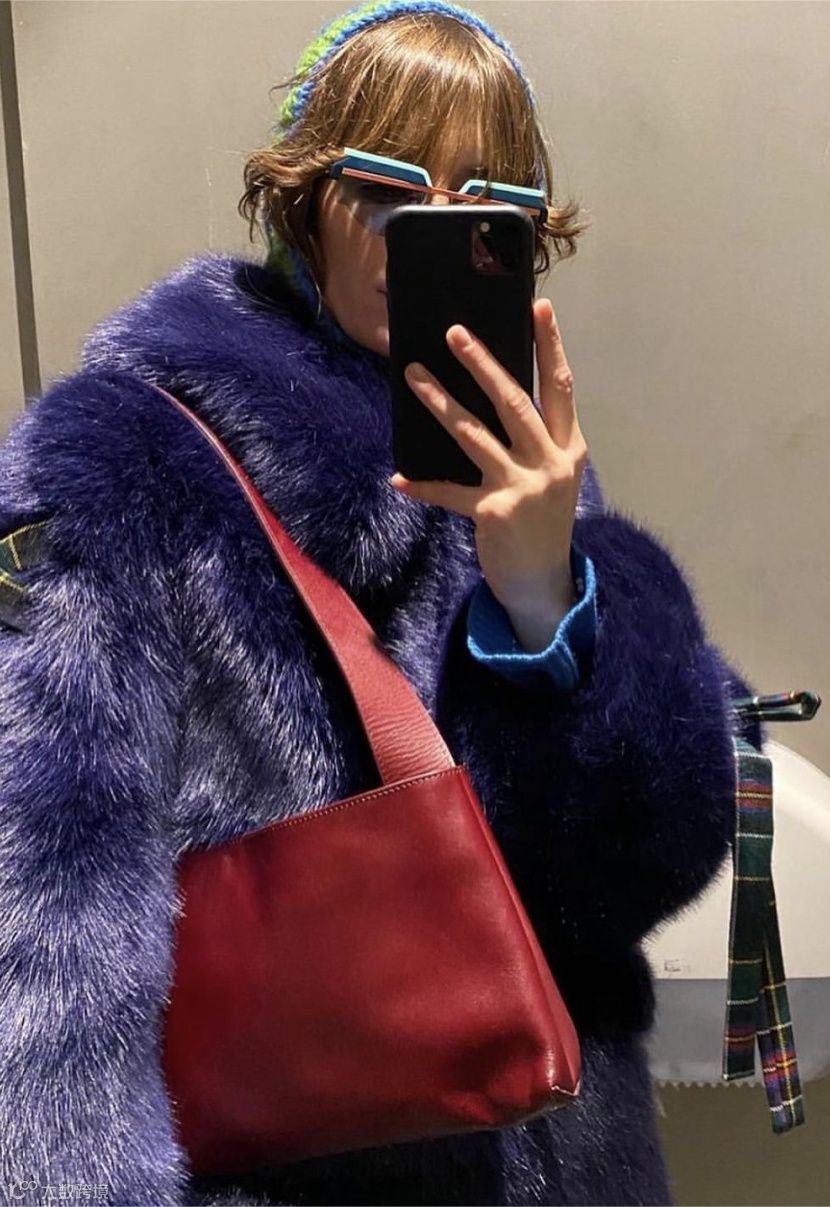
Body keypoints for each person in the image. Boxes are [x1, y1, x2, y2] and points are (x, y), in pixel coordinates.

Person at [0, 3, 760, 1205]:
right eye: (387, 189)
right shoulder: (123, 462)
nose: (430, 232)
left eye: (482, 209)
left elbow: (632, 874)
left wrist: (544, 596)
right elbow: (45, 908)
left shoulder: (526, 473)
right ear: (304, 199)